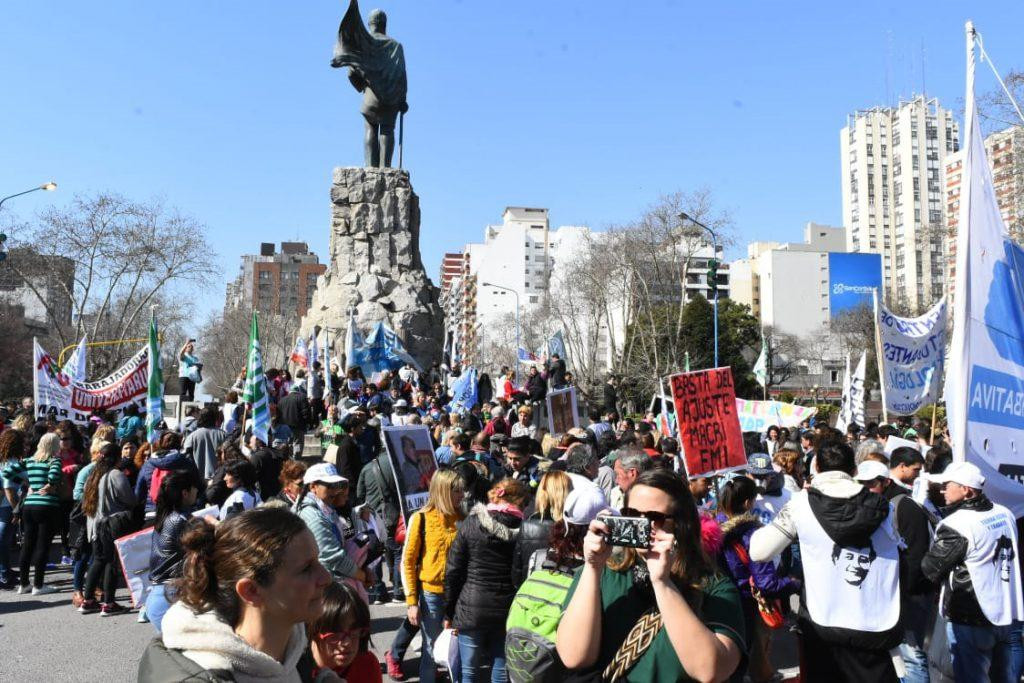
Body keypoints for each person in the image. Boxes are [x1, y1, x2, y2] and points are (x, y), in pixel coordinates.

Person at [557, 469, 745, 682]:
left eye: (654, 518)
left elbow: (711, 670)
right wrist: (592, 566)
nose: (642, 524)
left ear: (681, 524)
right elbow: (574, 657)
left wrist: (663, 583)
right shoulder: (604, 572)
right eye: (633, 514)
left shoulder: (714, 588)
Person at [750, 441, 902, 681]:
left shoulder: (800, 505)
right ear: (854, 470)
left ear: (817, 467)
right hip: (874, 625)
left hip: (823, 626)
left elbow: (759, 551)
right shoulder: (886, 508)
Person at [138, 507, 333, 681]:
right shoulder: (206, 673)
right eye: (306, 568)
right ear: (251, 591)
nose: (326, 577)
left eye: (317, 561)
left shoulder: (296, 647)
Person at [922, 461, 1024, 683]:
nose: (941, 490)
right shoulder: (1005, 513)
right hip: (1006, 612)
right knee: (1004, 677)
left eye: (946, 485)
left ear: (966, 490)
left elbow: (930, 569)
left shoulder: (957, 524)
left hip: (971, 616)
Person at [853, 459, 936, 682]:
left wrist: (901, 595)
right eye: (861, 483)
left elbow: (916, 556)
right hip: (890, 596)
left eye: (870, 483)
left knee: (911, 655)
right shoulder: (873, 504)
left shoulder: (904, 506)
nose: (865, 488)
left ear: (886, 482)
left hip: (908, 596)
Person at [445, 478, 528, 683]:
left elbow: (453, 570)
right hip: (507, 608)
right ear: (518, 501)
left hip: (471, 606)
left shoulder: (471, 523)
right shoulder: (524, 529)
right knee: (501, 670)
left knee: (469, 672)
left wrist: (448, 611)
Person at [718, 475, 799, 683]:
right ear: (748, 503)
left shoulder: (711, 528)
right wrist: (794, 583)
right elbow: (767, 583)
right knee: (753, 654)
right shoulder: (751, 534)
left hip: (718, 604)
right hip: (747, 606)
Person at [392, 470, 465, 683]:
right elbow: (407, 562)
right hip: (431, 595)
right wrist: (412, 602)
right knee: (431, 650)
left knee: (457, 649)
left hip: (459, 596)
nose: (462, 495)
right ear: (443, 491)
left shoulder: (463, 518)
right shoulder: (421, 518)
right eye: (457, 490)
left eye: (462, 490)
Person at [80, 442, 139, 615]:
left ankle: (88, 600)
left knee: (98, 561)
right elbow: (130, 500)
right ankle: (109, 603)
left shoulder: (92, 475)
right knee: (112, 563)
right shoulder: (115, 474)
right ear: (116, 457)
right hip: (111, 524)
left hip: (94, 525)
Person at [2, 432, 63, 595]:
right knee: (42, 546)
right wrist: (50, 484)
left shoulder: (29, 461)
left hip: (29, 506)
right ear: (55, 446)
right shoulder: (54, 460)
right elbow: (55, 475)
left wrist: (26, 483)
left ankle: (24, 584)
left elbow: (6, 473)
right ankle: (38, 585)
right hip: (47, 505)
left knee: (27, 545)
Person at [147, 468, 202, 633]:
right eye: (194, 488)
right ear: (185, 493)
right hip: (171, 595)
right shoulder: (180, 520)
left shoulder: (167, 515)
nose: (197, 491)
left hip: (161, 593)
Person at [295, 463, 367, 585]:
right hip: (321, 586)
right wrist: (362, 576)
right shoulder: (312, 515)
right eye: (330, 486)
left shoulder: (325, 509)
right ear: (313, 487)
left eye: (336, 485)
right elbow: (332, 556)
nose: (335, 491)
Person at [308, 581, 382, 682]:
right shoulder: (293, 670)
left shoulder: (367, 664)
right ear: (313, 630)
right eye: (336, 631)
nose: (347, 642)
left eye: (355, 630)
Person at [513, 470, 571, 587]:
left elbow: (516, 575)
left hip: (530, 593)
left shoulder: (526, 525)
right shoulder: (574, 527)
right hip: (563, 594)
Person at [135, 432, 200, 509]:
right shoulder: (186, 462)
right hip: (180, 507)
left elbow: (139, 490)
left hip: (155, 507)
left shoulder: (149, 463)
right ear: (179, 444)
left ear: (160, 444)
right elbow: (197, 484)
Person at [0, 429, 27, 588]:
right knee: (3, 541)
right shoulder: (15, 464)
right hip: (8, 505)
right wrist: (17, 509)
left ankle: (5, 570)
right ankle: (4, 574)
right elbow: (25, 482)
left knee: (4, 540)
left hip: (5, 504)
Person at [183, 406, 228, 480]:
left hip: (198, 478)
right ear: (214, 418)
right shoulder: (223, 434)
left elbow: (186, 457)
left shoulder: (192, 436)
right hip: (218, 478)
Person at [278, 383, 311, 457]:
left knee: (288, 443)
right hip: (298, 425)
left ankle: (289, 459)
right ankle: (296, 460)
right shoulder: (302, 397)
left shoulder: (282, 400)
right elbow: (305, 412)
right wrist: (308, 423)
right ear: (298, 391)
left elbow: (278, 414)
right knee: (297, 443)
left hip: (284, 426)